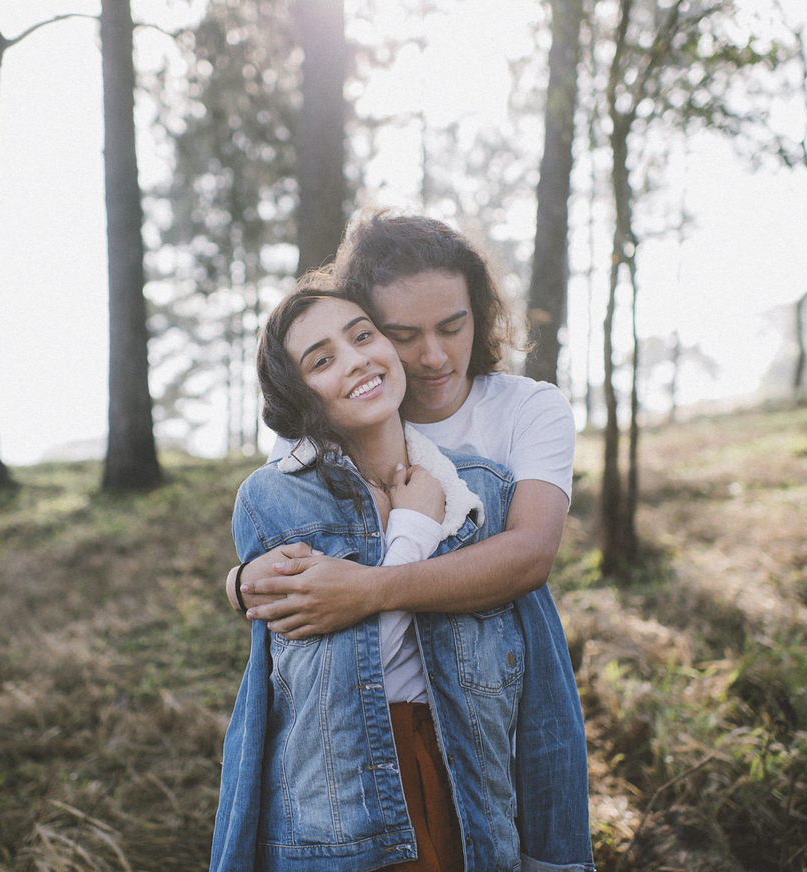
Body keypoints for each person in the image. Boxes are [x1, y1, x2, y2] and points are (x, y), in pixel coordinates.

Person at [226, 209, 595, 871]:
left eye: (452, 327)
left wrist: (372, 583)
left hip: (482, 701)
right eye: (404, 334)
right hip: (349, 753)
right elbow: (283, 563)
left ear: (479, 314)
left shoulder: (526, 410)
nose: (432, 356)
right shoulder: (320, 426)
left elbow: (529, 554)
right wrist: (240, 583)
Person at [211, 281, 527, 870]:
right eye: (322, 359)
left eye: (363, 336)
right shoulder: (276, 497)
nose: (356, 360)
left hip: (470, 782)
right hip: (346, 795)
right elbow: (344, 676)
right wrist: (410, 530)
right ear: (295, 391)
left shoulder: (479, 490)